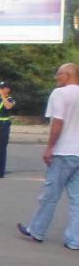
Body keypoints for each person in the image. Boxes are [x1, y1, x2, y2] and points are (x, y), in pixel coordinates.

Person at [18, 64, 79, 248]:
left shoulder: (60, 94)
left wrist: (49, 147)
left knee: (50, 196)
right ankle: (74, 240)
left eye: (58, 74)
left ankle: (37, 231)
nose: (56, 78)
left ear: (68, 75)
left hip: (62, 152)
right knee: (77, 199)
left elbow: (57, 123)